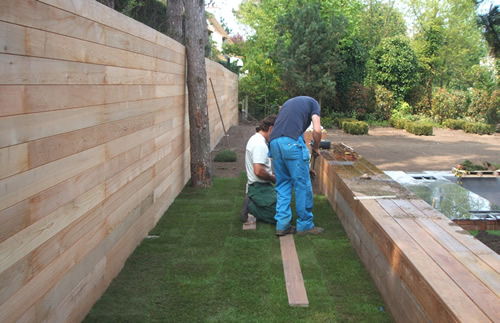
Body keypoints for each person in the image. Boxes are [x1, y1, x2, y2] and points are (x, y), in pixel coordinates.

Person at [269, 96, 324, 236]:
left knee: (283, 184)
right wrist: (316, 148)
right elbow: (317, 130)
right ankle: (305, 225)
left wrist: (306, 168)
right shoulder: (314, 104)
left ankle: (282, 225)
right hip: (291, 143)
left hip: (274, 143)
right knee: (303, 185)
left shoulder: (289, 104)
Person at [241, 115, 278, 224]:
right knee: (280, 217)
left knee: (283, 207)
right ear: (271, 129)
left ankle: (255, 203)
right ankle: (251, 206)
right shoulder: (259, 144)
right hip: (259, 187)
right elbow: (258, 171)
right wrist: (272, 178)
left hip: (261, 185)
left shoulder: (256, 139)